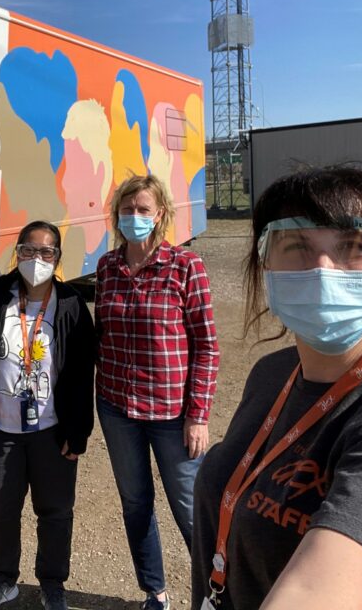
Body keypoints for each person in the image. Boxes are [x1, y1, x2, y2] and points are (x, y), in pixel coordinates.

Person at [190, 166, 362, 610]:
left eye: (354, 247)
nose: (323, 269)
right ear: (266, 266)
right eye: (298, 246)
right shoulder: (272, 373)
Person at [95, 174, 221, 610]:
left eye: (143, 210)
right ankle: (156, 592)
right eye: (127, 210)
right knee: (136, 504)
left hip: (173, 414)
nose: (134, 218)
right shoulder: (107, 268)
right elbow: (102, 336)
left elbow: (206, 345)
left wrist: (199, 414)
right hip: (116, 406)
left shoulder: (186, 267)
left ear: (161, 214)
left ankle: (217, 596)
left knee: (192, 510)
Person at [0, 221, 96, 610]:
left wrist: (79, 430)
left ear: (58, 258)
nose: (37, 259)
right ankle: (3, 579)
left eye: (46, 252)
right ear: (16, 253)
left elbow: (82, 372)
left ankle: (52, 582)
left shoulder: (70, 305)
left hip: (52, 431)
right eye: (28, 251)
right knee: (0, 509)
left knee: (55, 510)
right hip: (1, 429)